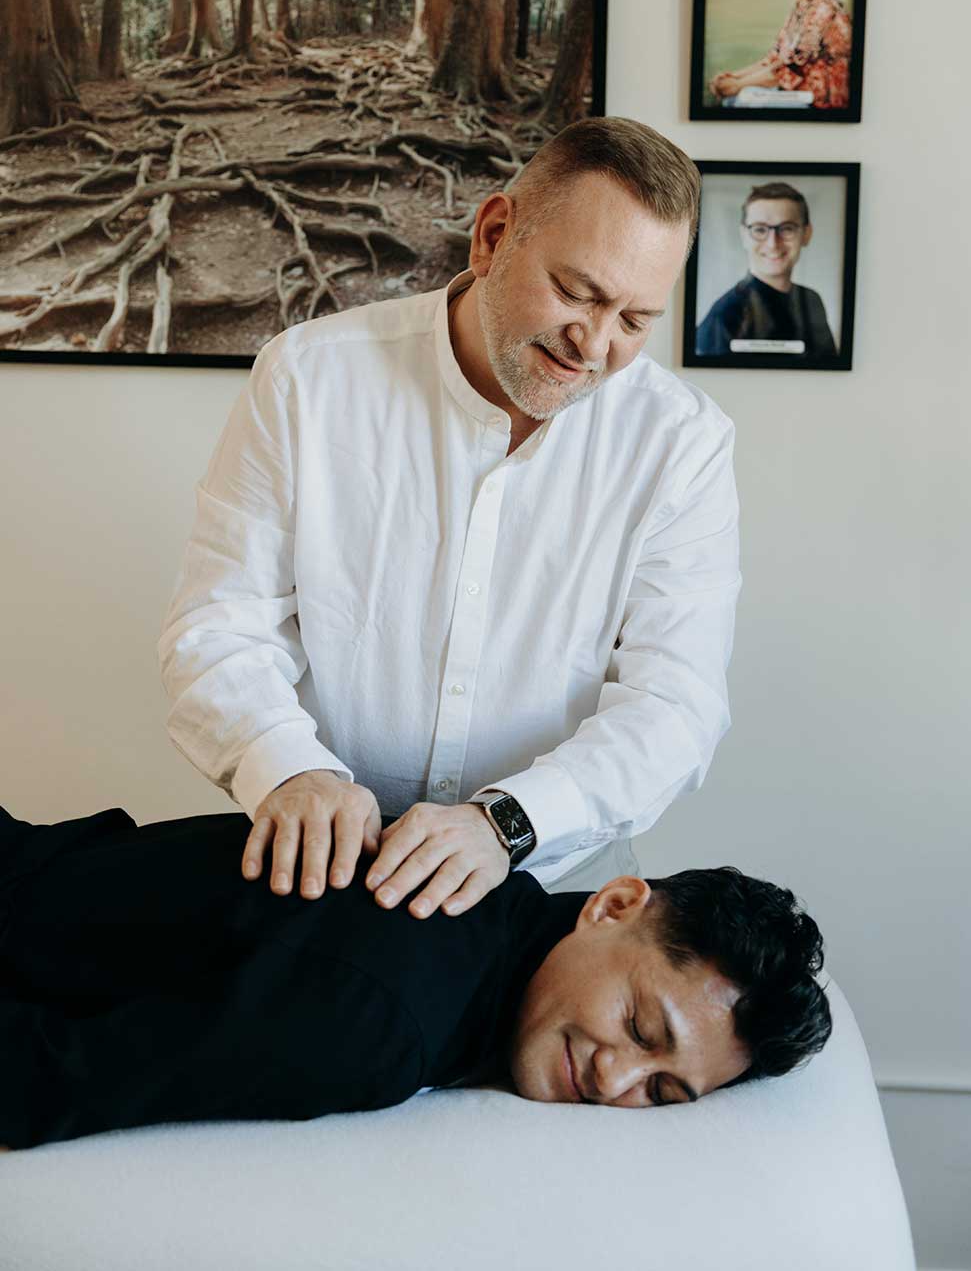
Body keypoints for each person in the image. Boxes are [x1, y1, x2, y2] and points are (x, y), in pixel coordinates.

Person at [159, 117, 741, 919]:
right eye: (578, 291)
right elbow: (218, 626)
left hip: (552, 873)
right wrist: (289, 767)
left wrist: (506, 824)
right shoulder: (308, 379)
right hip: (328, 864)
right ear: (493, 235)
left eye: (636, 320)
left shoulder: (683, 443)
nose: (595, 343)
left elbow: (676, 705)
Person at [0, 803, 832, 1149]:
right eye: (642, 1030)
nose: (616, 1078)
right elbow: (43, 1078)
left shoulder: (493, 914)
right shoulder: (382, 1025)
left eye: (661, 1093)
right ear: (614, 905)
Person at [709, 0, 852, 110]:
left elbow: (791, 69)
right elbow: (776, 57)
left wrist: (738, 85)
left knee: (742, 99)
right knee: (736, 98)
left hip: (821, 101)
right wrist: (734, 76)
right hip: (800, 93)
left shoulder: (824, 8)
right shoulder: (803, 5)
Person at [695, 182, 837, 358]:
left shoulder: (811, 300)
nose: (773, 243)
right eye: (760, 229)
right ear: (744, 235)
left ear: (806, 234)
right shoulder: (726, 315)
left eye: (787, 229)